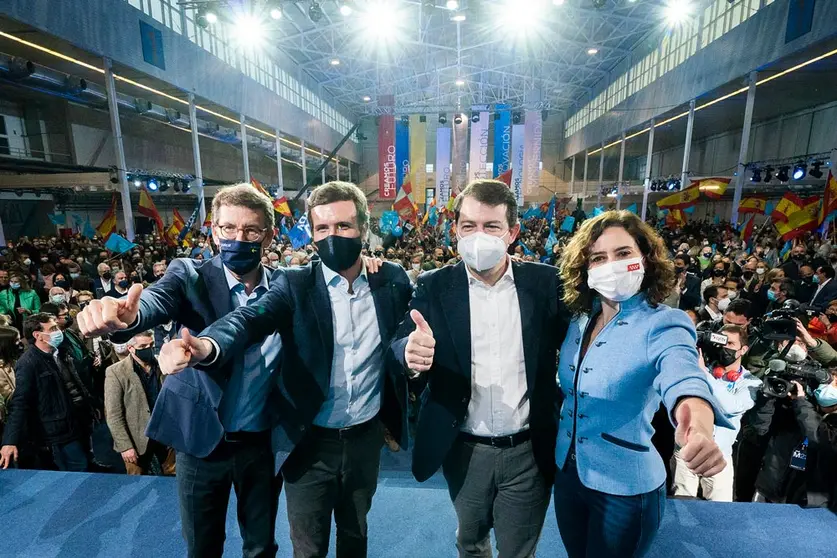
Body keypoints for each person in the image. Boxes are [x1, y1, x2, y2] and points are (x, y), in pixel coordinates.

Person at [157, 181, 412, 558]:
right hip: (309, 441)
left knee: (356, 535)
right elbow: (248, 319)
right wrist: (208, 347)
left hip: (365, 439)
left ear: (364, 227)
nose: (332, 236)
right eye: (322, 228)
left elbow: (404, 334)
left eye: (343, 226)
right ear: (311, 233)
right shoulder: (292, 284)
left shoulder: (391, 279)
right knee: (307, 547)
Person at [77, 184, 284, 558]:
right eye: (228, 229)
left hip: (259, 442)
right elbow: (157, 298)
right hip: (199, 440)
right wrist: (128, 315)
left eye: (251, 231)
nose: (239, 238)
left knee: (261, 546)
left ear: (268, 235)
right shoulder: (189, 274)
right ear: (214, 232)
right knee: (202, 547)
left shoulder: (285, 285)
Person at [392, 179, 568, 557]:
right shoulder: (434, 285)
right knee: (469, 542)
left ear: (513, 232)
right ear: (455, 230)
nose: (478, 236)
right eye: (469, 226)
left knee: (518, 551)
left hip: (527, 447)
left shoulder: (545, 282)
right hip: (464, 447)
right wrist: (409, 352)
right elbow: (400, 341)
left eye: (491, 227)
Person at [553, 210, 730, 558]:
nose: (611, 265)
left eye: (623, 254)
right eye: (598, 258)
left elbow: (682, 374)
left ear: (645, 259)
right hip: (569, 474)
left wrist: (699, 426)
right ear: (585, 270)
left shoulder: (664, 322)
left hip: (625, 488)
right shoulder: (579, 320)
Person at [673, 325, 761, 501]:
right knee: (680, 505)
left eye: (730, 343)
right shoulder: (698, 369)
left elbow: (731, 405)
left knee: (720, 514)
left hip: (719, 455)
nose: (724, 348)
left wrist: (704, 373)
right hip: (687, 448)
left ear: (743, 349)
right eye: (721, 342)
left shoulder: (752, 383)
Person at [0, 313, 95, 471]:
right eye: (53, 328)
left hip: (78, 420)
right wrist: (9, 440)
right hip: (57, 432)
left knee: (86, 462)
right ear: (38, 335)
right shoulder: (28, 363)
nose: (58, 331)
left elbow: (75, 382)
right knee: (78, 469)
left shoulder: (61, 352)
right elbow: (20, 403)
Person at [104, 330, 175, 476]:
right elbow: (114, 414)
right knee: (137, 482)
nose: (148, 349)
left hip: (165, 436)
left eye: (151, 345)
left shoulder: (163, 366)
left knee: (172, 480)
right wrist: (125, 446)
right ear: (130, 348)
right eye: (143, 347)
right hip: (136, 440)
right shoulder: (116, 372)